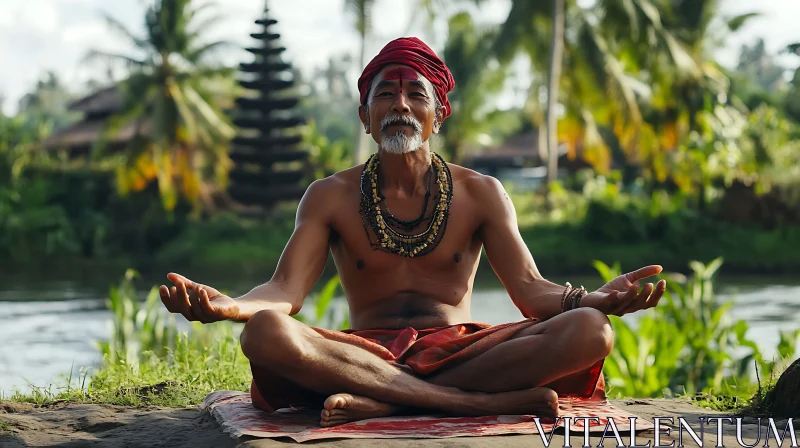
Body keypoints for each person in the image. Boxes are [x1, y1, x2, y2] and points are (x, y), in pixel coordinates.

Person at [159, 37, 667, 428]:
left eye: (414, 93)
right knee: (265, 332)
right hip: (360, 354)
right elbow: (285, 292)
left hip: (462, 351)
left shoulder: (481, 193)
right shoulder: (329, 195)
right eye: (386, 94)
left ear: (437, 115)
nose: (400, 104)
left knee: (590, 331)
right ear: (365, 117)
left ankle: (380, 402)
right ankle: (466, 404)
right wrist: (232, 306)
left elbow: (532, 292)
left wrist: (593, 300)